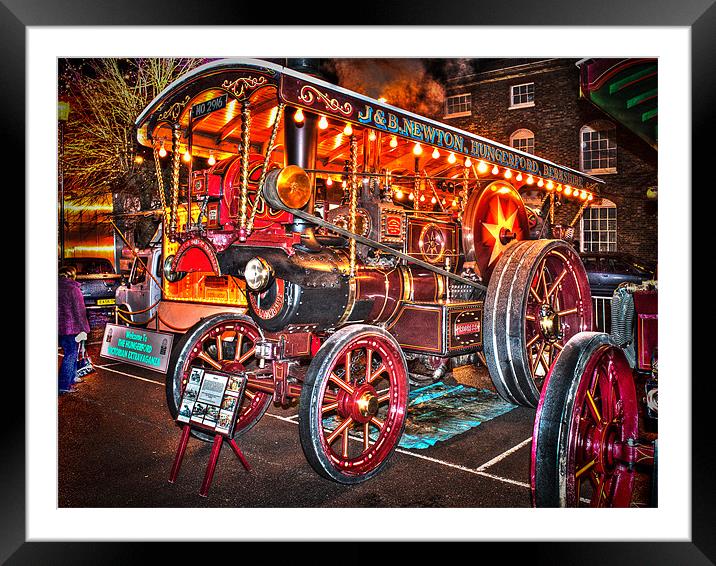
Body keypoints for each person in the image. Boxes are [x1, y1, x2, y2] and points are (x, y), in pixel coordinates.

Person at [58, 265, 90, 394]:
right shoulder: (73, 289)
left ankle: (71, 378)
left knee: (69, 352)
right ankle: (64, 384)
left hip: (59, 328)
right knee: (71, 354)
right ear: (72, 276)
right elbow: (79, 311)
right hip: (71, 328)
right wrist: (85, 328)